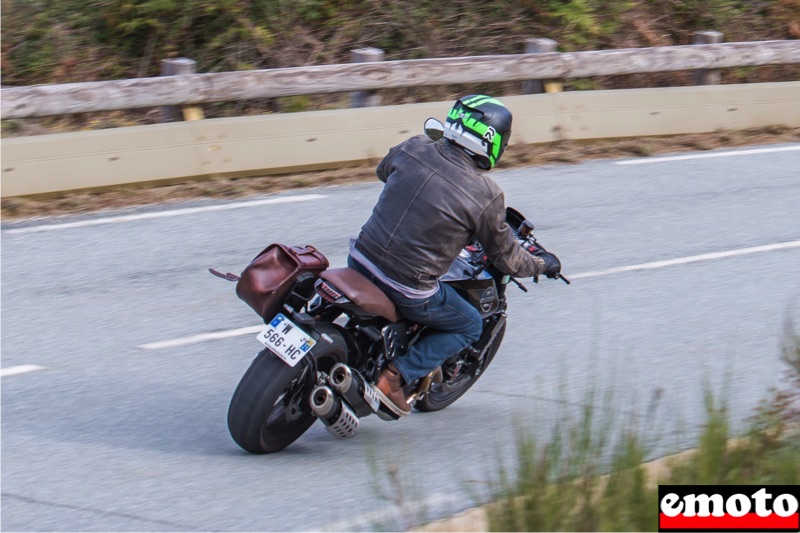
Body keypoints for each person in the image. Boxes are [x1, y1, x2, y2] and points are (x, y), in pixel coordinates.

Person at [347, 94, 562, 416]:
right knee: (468, 325)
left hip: (359, 259)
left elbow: (384, 172)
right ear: (493, 141)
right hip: (408, 288)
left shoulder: (414, 147)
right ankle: (394, 377)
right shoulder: (485, 194)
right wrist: (543, 264)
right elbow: (507, 258)